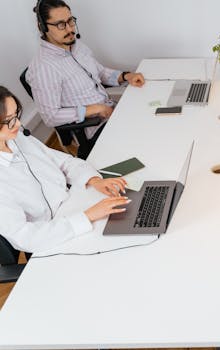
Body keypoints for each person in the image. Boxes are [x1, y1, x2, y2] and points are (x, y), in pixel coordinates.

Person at [0, 86, 131, 254]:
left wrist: (94, 180)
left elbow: (62, 162)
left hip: (74, 206)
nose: (17, 124)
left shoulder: (17, 137)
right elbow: (26, 237)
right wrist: (88, 216)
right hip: (53, 237)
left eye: (17, 115)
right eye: (9, 120)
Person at [26, 0, 145, 159]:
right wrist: (94, 109)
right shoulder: (44, 68)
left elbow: (99, 72)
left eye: (70, 21)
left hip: (113, 112)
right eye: (61, 24)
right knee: (146, 141)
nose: (69, 29)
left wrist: (125, 76)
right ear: (42, 27)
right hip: (96, 128)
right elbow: (50, 116)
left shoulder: (75, 45)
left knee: (154, 116)